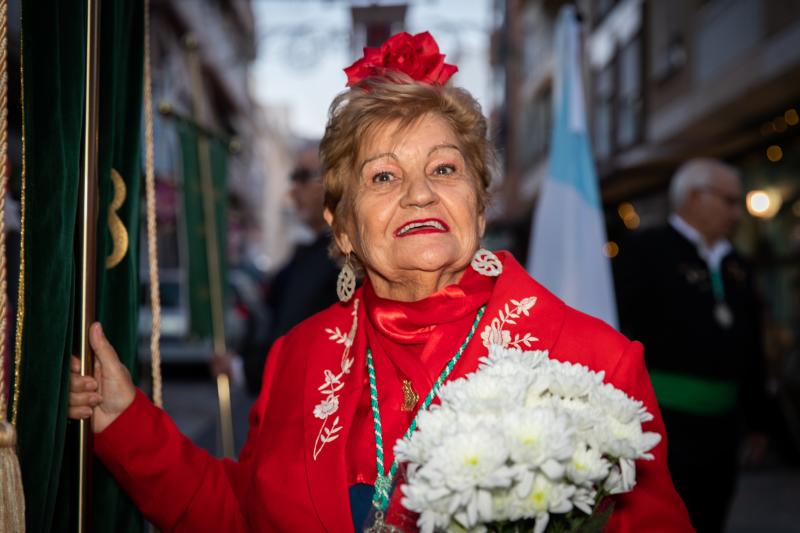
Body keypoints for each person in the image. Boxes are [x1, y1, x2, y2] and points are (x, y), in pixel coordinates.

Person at [69, 32, 692, 532]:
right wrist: (129, 425)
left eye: (445, 168)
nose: (420, 192)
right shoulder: (297, 356)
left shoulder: (592, 360)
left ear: (478, 206)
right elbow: (242, 514)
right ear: (341, 229)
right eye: (383, 177)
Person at [615, 158, 769, 533]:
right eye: (729, 201)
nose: (737, 212)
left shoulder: (737, 264)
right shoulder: (644, 252)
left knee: (712, 518)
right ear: (695, 198)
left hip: (723, 429)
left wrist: (759, 421)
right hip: (664, 426)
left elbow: (752, 348)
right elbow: (621, 333)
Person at [239, 144, 340, 394]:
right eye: (293, 178)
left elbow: (296, 342)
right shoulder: (308, 254)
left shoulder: (342, 259)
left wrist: (241, 368)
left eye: (303, 177)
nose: (293, 190)